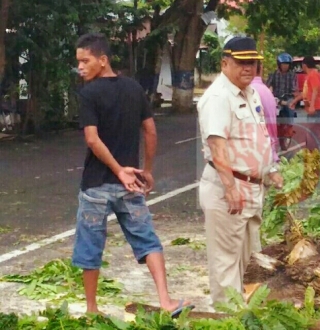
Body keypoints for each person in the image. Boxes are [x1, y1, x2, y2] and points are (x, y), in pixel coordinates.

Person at [72, 33, 192, 316]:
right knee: (147, 240)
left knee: (90, 246)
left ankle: (91, 309)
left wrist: (118, 170)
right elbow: (150, 131)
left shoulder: (88, 94)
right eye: (78, 62)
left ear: (102, 61)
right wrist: (146, 171)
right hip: (130, 185)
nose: (80, 67)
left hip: (96, 186)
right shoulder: (134, 88)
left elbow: (92, 139)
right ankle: (166, 301)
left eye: (85, 61)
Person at [197, 36, 284, 305]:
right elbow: (216, 144)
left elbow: (256, 136)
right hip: (229, 190)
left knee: (249, 261)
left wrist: (270, 169)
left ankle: (245, 315)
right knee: (226, 264)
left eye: (253, 63)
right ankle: (226, 318)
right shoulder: (219, 97)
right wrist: (230, 187)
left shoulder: (250, 92)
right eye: (242, 62)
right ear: (225, 63)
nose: (249, 68)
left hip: (252, 188)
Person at [289, 56, 320, 151]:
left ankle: (315, 156)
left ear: (304, 65)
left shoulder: (313, 75)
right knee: (311, 134)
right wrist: (295, 101)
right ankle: (312, 155)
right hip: (312, 109)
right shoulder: (309, 76)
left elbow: (315, 90)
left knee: (312, 135)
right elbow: (305, 93)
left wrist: (312, 105)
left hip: (316, 109)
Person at [251, 61, 279, 162]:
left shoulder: (249, 91)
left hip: (256, 154)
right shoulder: (266, 90)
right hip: (268, 150)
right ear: (261, 68)